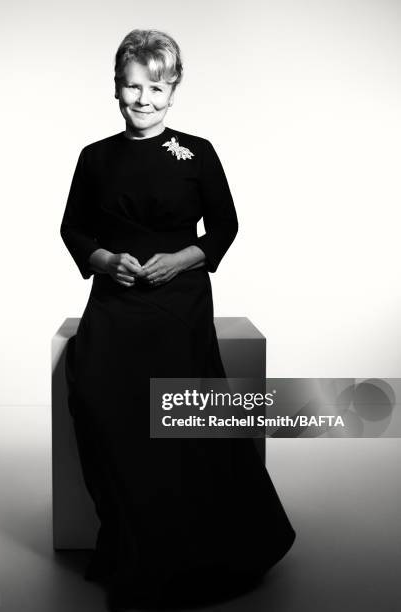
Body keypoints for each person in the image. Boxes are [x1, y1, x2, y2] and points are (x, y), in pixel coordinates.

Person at [60, 28, 296, 610]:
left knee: (181, 420)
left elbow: (224, 228)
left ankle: (197, 549)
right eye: (132, 86)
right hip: (115, 300)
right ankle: (130, 543)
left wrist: (183, 260)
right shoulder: (95, 157)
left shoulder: (198, 151)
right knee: (94, 395)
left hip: (178, 301)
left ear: (174, 90)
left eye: (156, 87)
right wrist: (104, 259)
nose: (142, 99)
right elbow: (72, 229)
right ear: (116, 87)